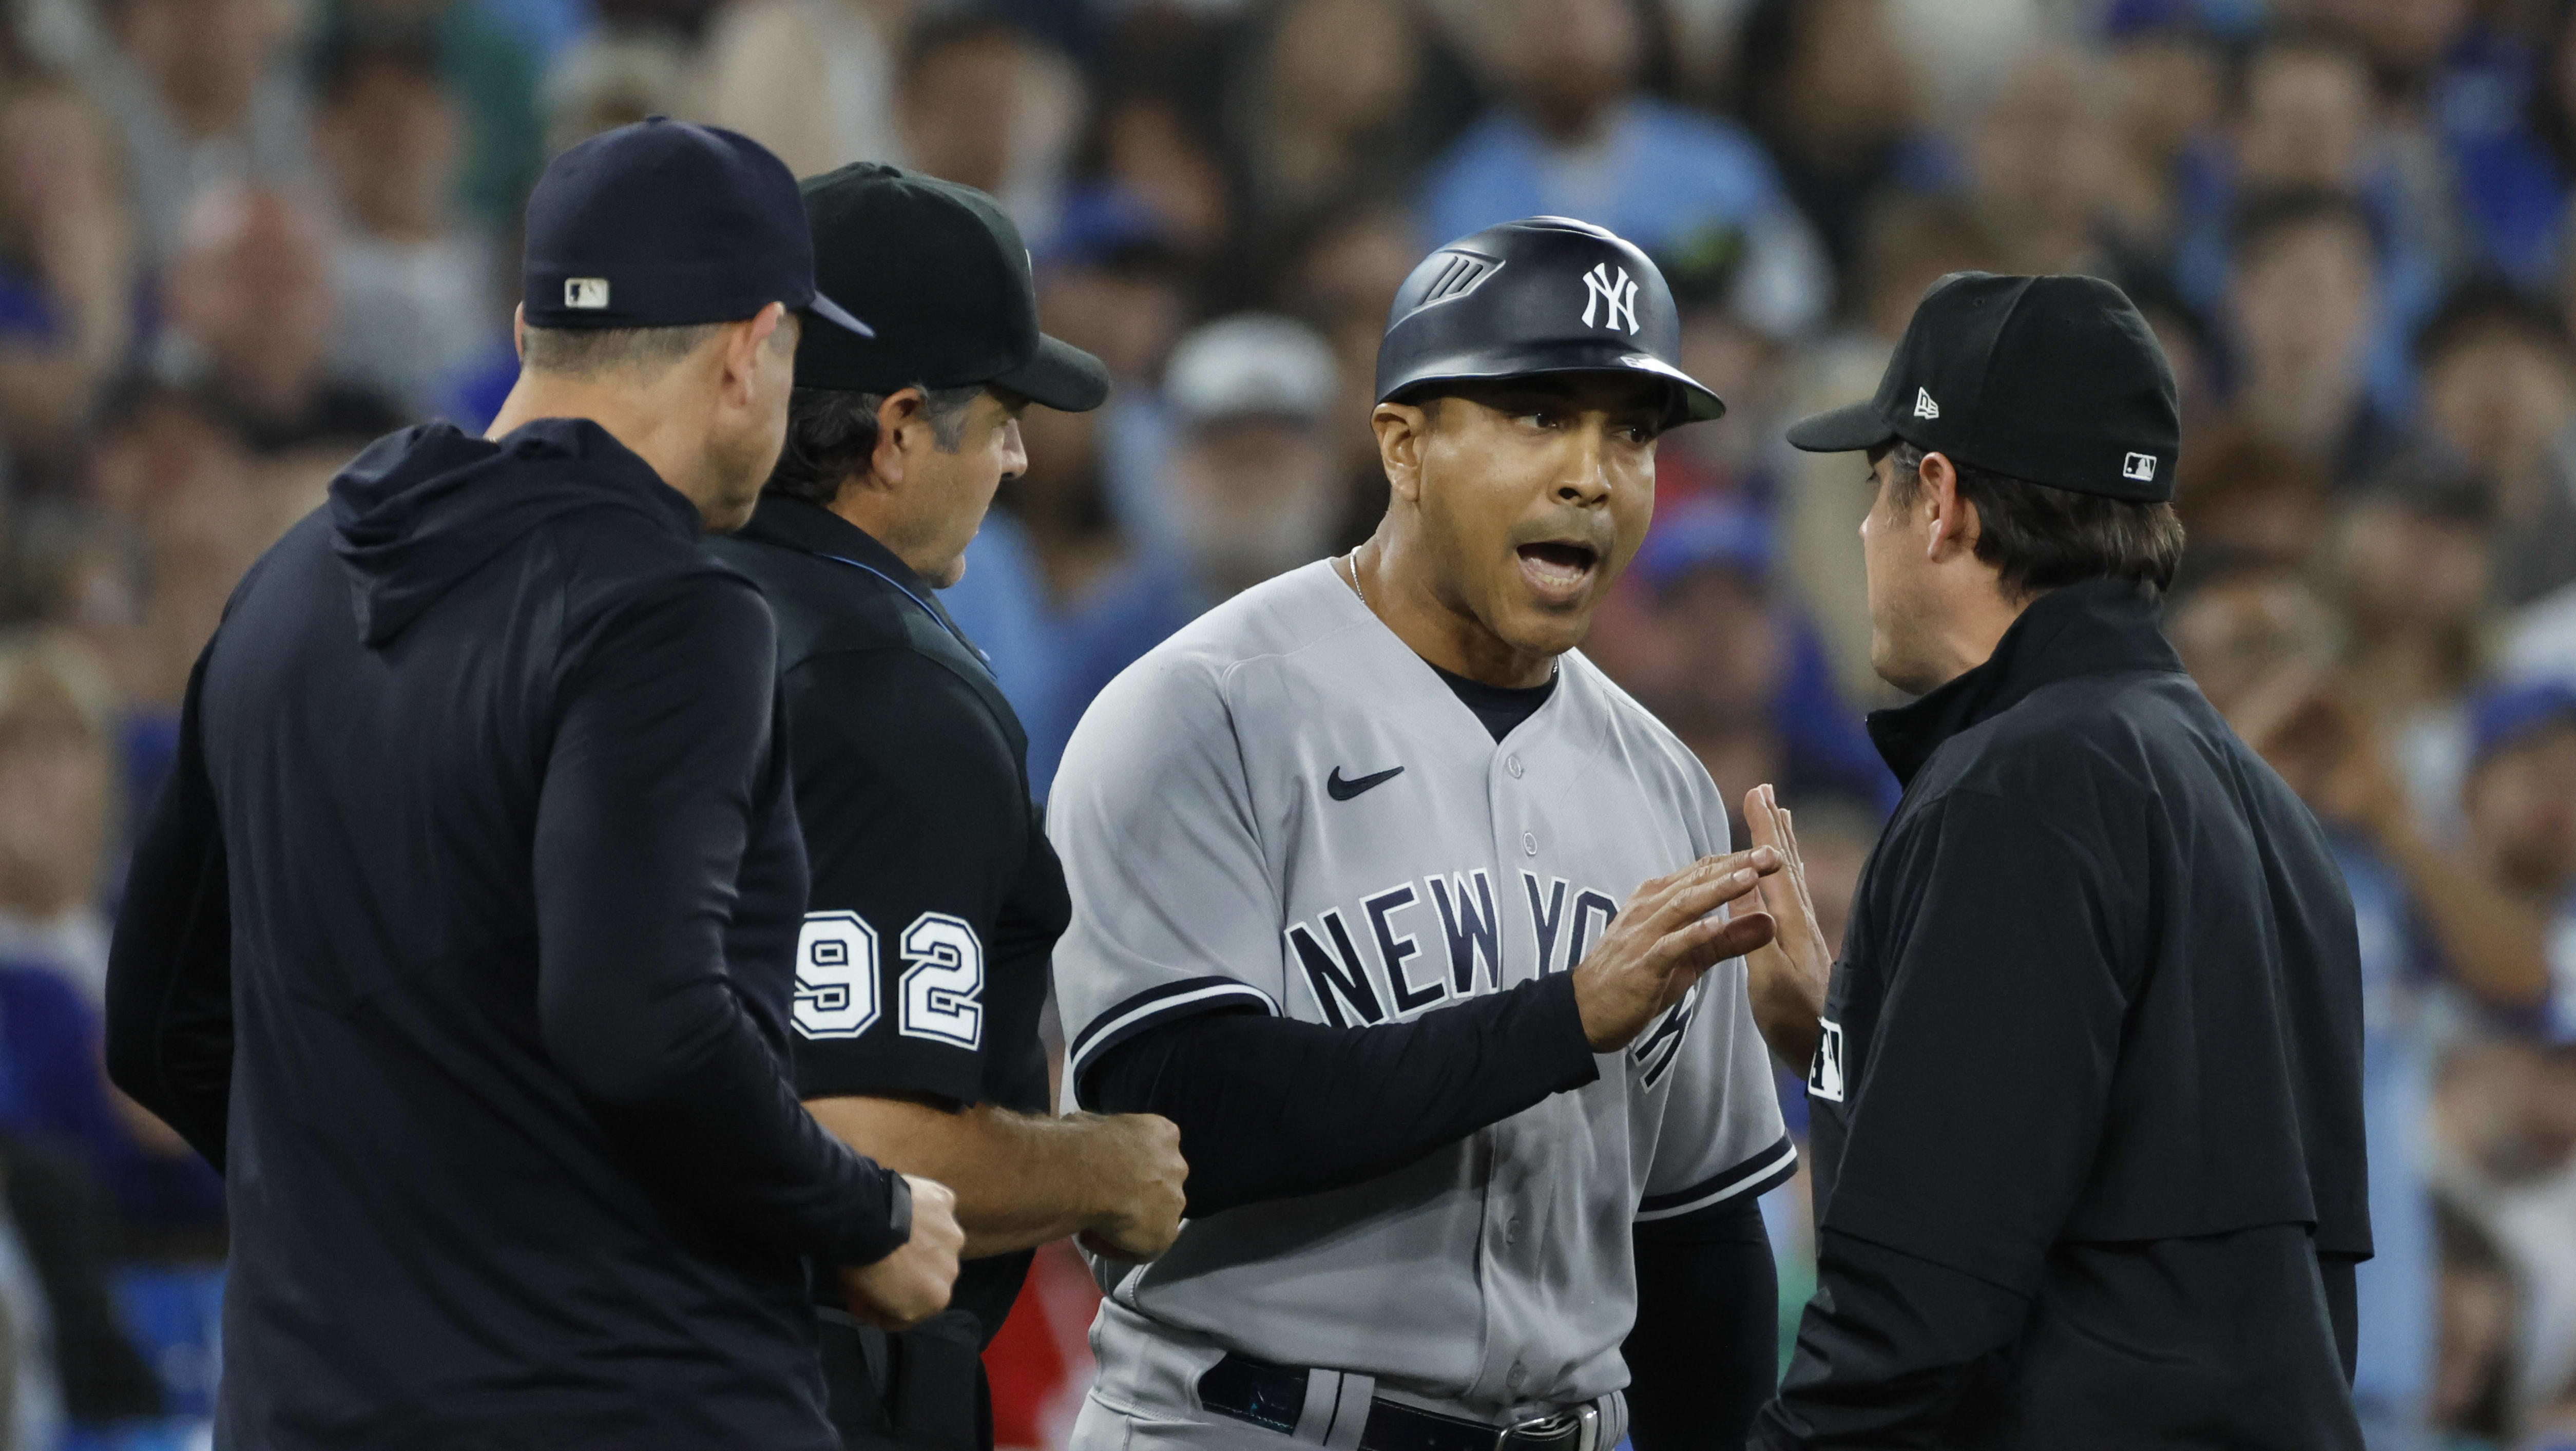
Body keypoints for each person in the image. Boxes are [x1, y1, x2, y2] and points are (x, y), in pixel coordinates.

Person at [101, 118, 963, 1451]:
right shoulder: (671, 611)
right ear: (750, 350)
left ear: (527, 329)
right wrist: (864, 1214)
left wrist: (403, 1223)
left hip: (308, 1408)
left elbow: (159, 1022)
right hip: (628, 1403)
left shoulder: (290, 586)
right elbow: (644, 1019)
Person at [1049, 215, 1828, 1451]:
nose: (1590, 472)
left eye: (1628, 431)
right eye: (1536, 415)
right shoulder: (1203, 710)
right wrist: (1562, 1018)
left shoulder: (1664, 784)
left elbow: (1699, 1236)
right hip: (1247, 1423)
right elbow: (1176, 1113)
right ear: (1404, 447)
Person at [1752, 270, 2370, 1448]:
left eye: (1873, 489)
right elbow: (2171, 1239)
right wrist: (1840, 1041)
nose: (1868, 534)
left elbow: (1917, 1305)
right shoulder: (2261, 807)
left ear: (1938, 499)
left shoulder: (2020, 783)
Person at [702, 161, 1188, 1451]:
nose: (1024, 456)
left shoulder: (630, 599)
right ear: (900, 428)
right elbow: (862, 1148)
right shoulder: (884, 689)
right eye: (1004, 413)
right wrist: (1107, 1167)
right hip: (797, 1389)